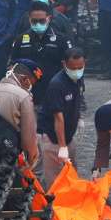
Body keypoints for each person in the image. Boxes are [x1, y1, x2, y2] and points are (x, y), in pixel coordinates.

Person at [36, 47, 85, 189]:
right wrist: (62, 146)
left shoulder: (79, 78)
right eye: (73, 68)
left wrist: (79, 118)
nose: (77, 71)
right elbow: (58, 118)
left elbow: (78, 98)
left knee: (72, 175)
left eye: (80, 67)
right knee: (56, 183)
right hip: (53, 138)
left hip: (68, 136)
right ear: (64, 64)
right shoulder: (57, 85)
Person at [11, 1, 73, 110]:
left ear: (48, 18)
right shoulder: (21, 40)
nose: (38, 24)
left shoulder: (61, 39)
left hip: (54, 93)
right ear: (29, 19)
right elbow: (13, 66)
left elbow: (71, 67)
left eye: (41, 20)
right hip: (28, 96)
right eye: (34, 21)